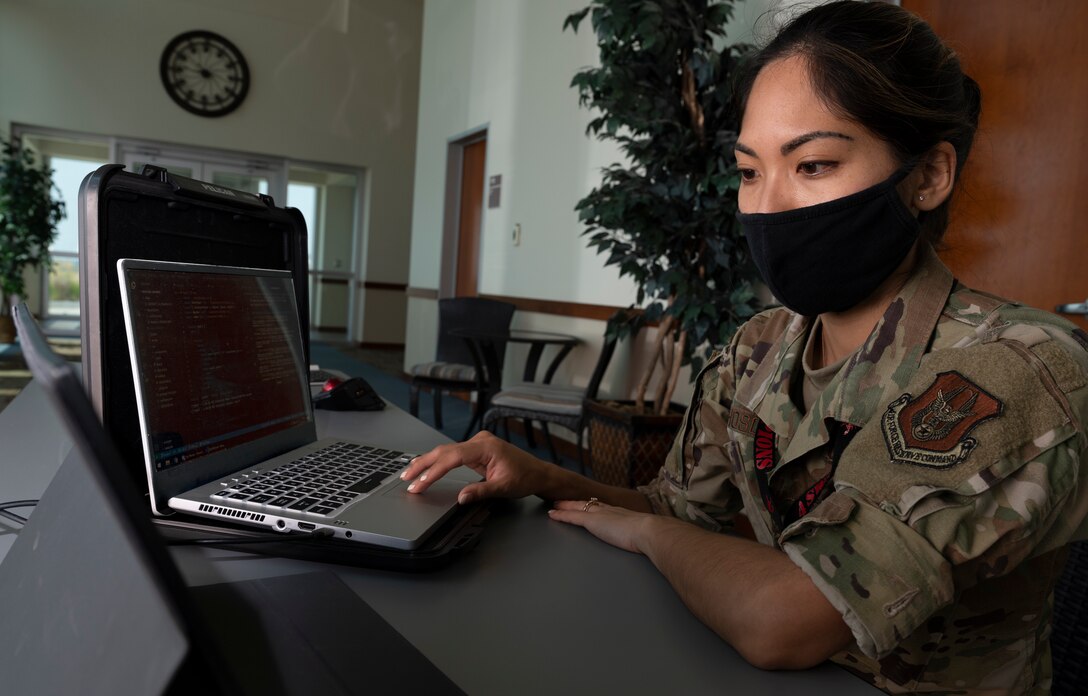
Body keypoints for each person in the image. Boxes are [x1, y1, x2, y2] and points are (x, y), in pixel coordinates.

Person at [401, 2, 1088, 692]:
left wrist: (651, 537)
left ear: (928, 177)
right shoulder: (758, 348)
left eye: (814, 165)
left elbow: (782, 616)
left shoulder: (1018, 366)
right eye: (750, 171)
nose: (768, 207)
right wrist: (544, 477)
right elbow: (674, 512)